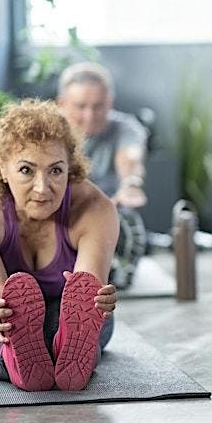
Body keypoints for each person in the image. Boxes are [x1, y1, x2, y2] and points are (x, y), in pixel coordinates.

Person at [0, 99, 120, 392]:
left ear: (69, 167)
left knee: (81, 327)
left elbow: (86, 287)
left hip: (60, 303)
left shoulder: (94, 208)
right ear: (2, 168)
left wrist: (98, 302)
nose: (42, 188)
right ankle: (24, 359)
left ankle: (62, 353)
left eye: (56, 171)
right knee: (0, 330)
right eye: (26, 170)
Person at [57, 62, 148, 287]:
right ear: (61, 104)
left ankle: (116, 271)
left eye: (98, 107)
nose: (89, 115)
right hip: (58, 216)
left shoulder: (126, 128)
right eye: (80, 106)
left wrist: (131, 184)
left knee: (126, 218)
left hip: (107, 215)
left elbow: (130, 157)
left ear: (110, 102)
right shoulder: (49, 132)